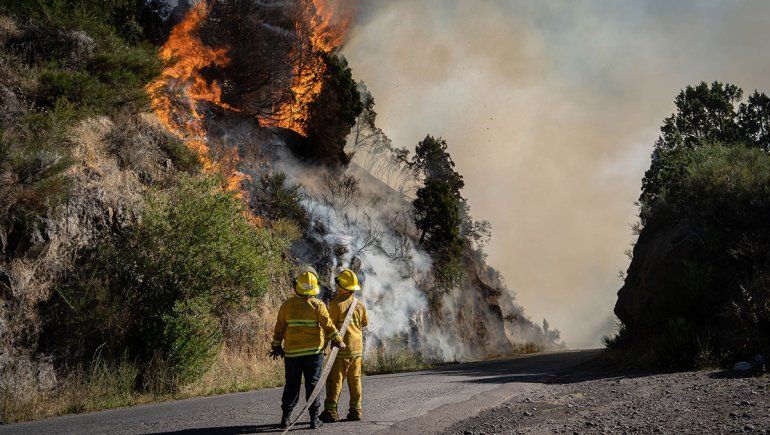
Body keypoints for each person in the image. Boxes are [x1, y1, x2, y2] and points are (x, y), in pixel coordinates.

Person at [271, 265, 345, 429]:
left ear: (296, 286)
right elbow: (328, 326)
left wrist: (276, 345)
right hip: (314, 353)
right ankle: (314, 419)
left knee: (292, 384)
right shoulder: (318, 305)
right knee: (313, 384)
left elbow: (279, 328)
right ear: (315, 288)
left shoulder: (287, 306)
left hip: (292, 353)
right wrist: (338, 340)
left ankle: (285, 419)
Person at [319, 268, 368, 423]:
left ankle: (331, 411)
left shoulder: (334, 304)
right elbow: (365, 323)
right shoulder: (359, 305)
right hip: (357, 349)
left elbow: (329, 327)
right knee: (355, 380)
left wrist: (323, 345)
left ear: (340, 286)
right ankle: (356, 410)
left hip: (340, 349)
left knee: (335, 380)